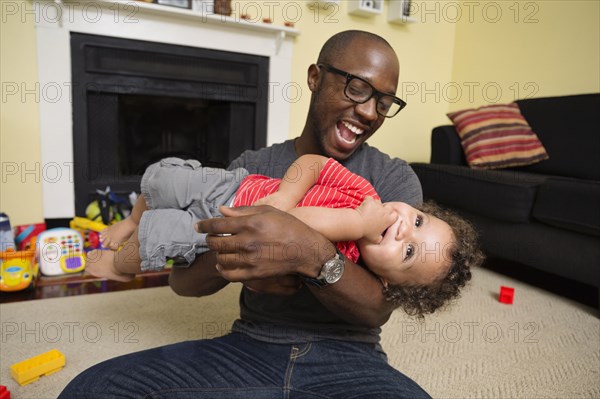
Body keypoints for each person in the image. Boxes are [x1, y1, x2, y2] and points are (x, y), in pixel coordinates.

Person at [59, 30, 476, 398]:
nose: (369, 112)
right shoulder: (252, 166)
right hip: (250, 347)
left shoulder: (391, 182)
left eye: (384, 103)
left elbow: (376, 309)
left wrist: (305, 253)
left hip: (349, 357)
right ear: (315, 78)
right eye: (355, 89)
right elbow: (184, 284)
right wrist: (242, 257)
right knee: (93, 389)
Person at [89, 153, 480, 317]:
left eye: (408, 251)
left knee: (158, 240)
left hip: (220, 233)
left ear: (385, 281)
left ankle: (119, 265)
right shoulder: (366, 195)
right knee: (161, 180)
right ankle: (129, 220)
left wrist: (358, 226)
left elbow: (293, 229)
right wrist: (285, 192)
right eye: (418, 222)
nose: (401, 227)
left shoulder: (347, 260)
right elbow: (313, 164)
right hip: (232, 189)